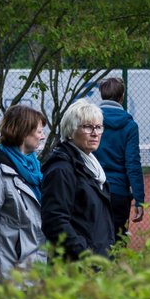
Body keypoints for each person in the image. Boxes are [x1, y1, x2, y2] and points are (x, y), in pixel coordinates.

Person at [0, 104, 48, 285]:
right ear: (23, 133)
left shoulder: (34, 170)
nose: (43, 136)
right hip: (7, 271)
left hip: (35, 267)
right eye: (39, 131)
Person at [41, 99, 116, 260]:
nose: (95, 133)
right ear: (70, 131)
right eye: (88, 127)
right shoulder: (61, 169)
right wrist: (86, 256)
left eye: (98, 127)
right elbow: (55, 222)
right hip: (76, 268)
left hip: (98, 262)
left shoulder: (92, 167)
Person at [94, 76, 145, 243]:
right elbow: (132, 164)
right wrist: (139, 199)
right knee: (116, 243)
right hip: (119, 193)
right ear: (122, 96)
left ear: (101, 95)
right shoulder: (130, 126)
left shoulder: (90, 122)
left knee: (92, 242)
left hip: (92, 189)